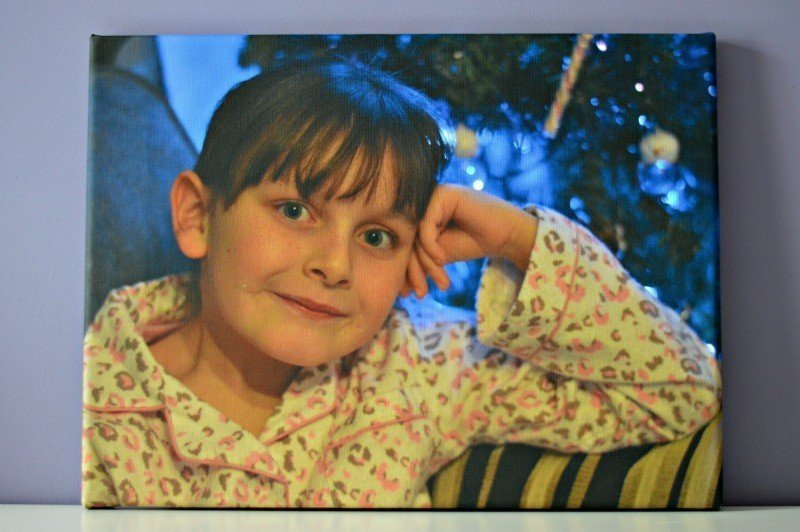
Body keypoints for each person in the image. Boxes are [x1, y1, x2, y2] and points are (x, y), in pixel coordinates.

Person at [82, 59, 721, 508]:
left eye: (376, 237)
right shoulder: (93, 408)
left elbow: (680, 391)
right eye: (295, 209)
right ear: (198, 217)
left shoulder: (416, 368)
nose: (335, 266)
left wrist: (514, 238)